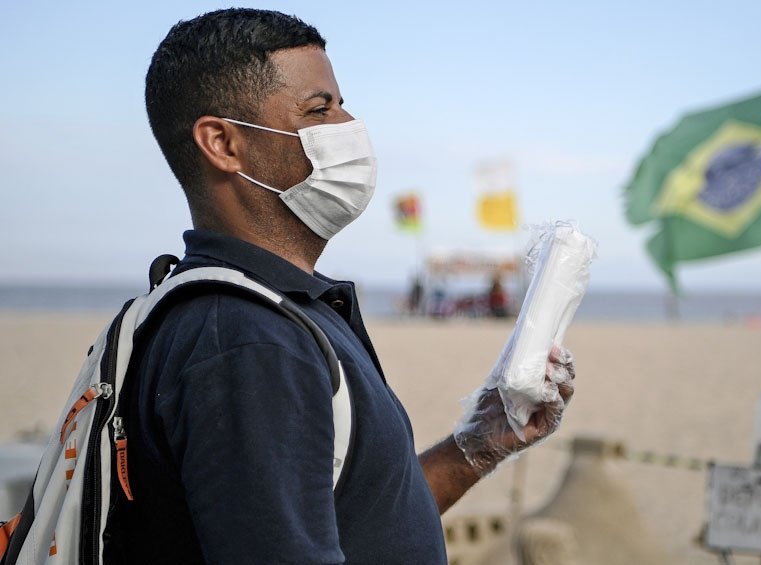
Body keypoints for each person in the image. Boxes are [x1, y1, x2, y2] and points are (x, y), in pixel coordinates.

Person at [113, 8, 575, 564]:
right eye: (319, 109)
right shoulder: (248, 342)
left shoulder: (282, 310)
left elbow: (360, 521)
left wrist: (476, 446)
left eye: (341, 103)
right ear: (223, 144)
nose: (349, 124)